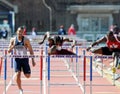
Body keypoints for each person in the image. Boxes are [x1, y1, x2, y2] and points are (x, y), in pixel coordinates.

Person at [7, 26, 36, 94]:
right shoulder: (13, 40)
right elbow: (8, 51)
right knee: (18, 74)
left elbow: (31, 50)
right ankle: (20, 89)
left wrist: (33, 60)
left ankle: (23, 69)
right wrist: (12, 46)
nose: (20, 33)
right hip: (17, 59)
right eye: (19, 31)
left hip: (25, 59)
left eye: (22, 32)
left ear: (23, 33)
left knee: (27, 76)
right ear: (17, 31)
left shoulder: (26, 40)